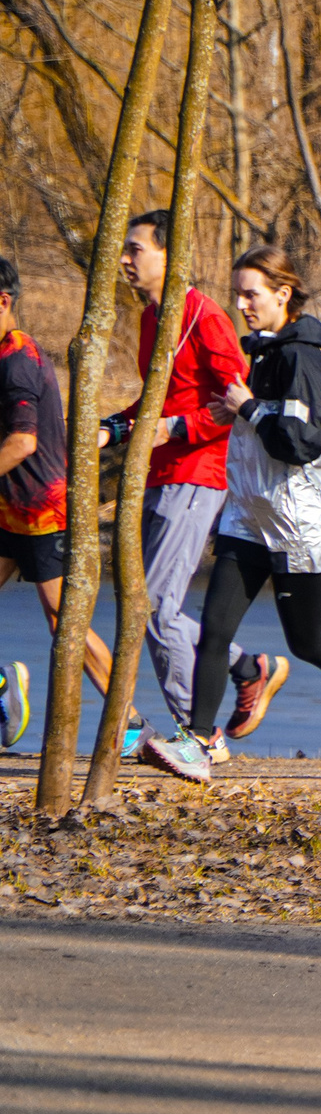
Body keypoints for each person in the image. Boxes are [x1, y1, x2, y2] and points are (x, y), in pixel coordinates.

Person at [139, 247, 321, 782]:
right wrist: (236, 413)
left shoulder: (301, 354)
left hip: (296, 522)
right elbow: (264, 424)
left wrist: (246, 408)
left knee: (307, 640)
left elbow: (302, 441)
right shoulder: (264, 352)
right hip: (251, 514)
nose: (241, 304)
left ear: (282, 295)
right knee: (216, 626)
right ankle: (198, 742)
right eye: (238, 293)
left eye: (252, 294)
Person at [100, 212, 284, 742]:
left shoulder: (204, 316)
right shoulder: (151, 320)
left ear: (169, 255)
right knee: (148, 604)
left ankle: (197, 736)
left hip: (200, 473)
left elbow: (235, 402)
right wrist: (114, 429)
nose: (125, 261)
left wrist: (174, 428)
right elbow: (158, 398)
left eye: (136, 250)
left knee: (155, 607)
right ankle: (248, 669)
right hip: (157, 472)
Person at [0, 257, 118, 753]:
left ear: (2, 302)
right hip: (9, 511)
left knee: (64, 621)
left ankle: (127, 721)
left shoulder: (18, 362)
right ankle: (3, 692)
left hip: (46, 514)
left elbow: (23, 443)